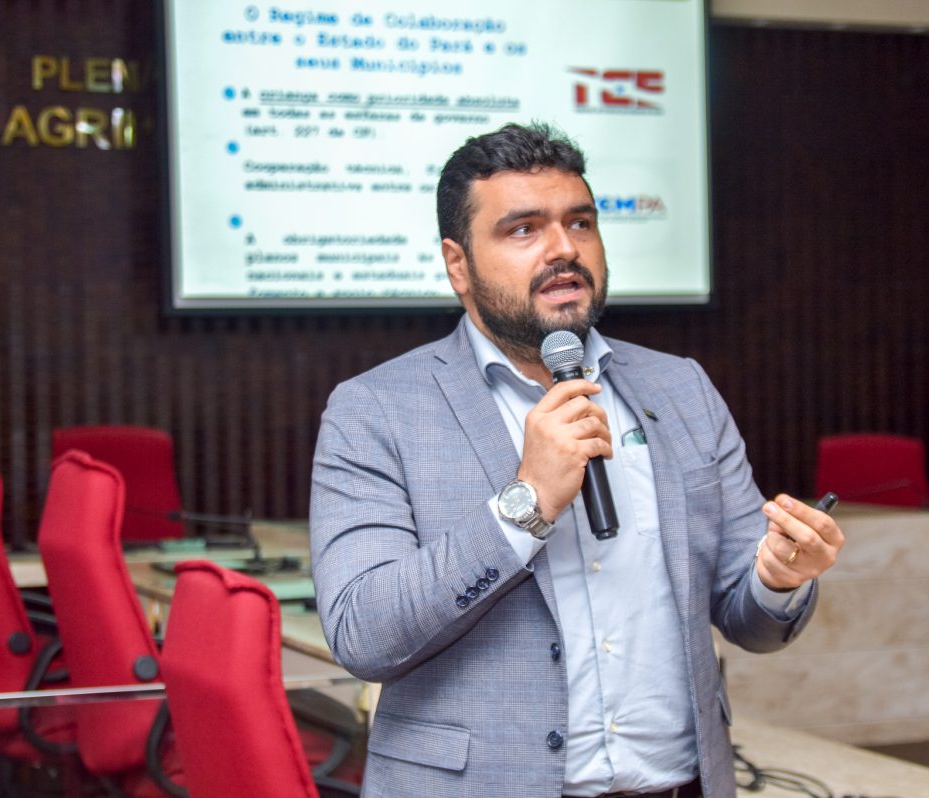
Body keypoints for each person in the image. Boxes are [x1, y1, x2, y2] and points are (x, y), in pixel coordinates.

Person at [310, 123, 844, 798]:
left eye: (580, 223)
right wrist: (525, 504)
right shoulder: (376, 410)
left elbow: (750, 619)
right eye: (523, 229)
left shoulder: (680, 390)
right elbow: (364, 635)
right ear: (458, 265)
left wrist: (777, 579)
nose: (564, 248)